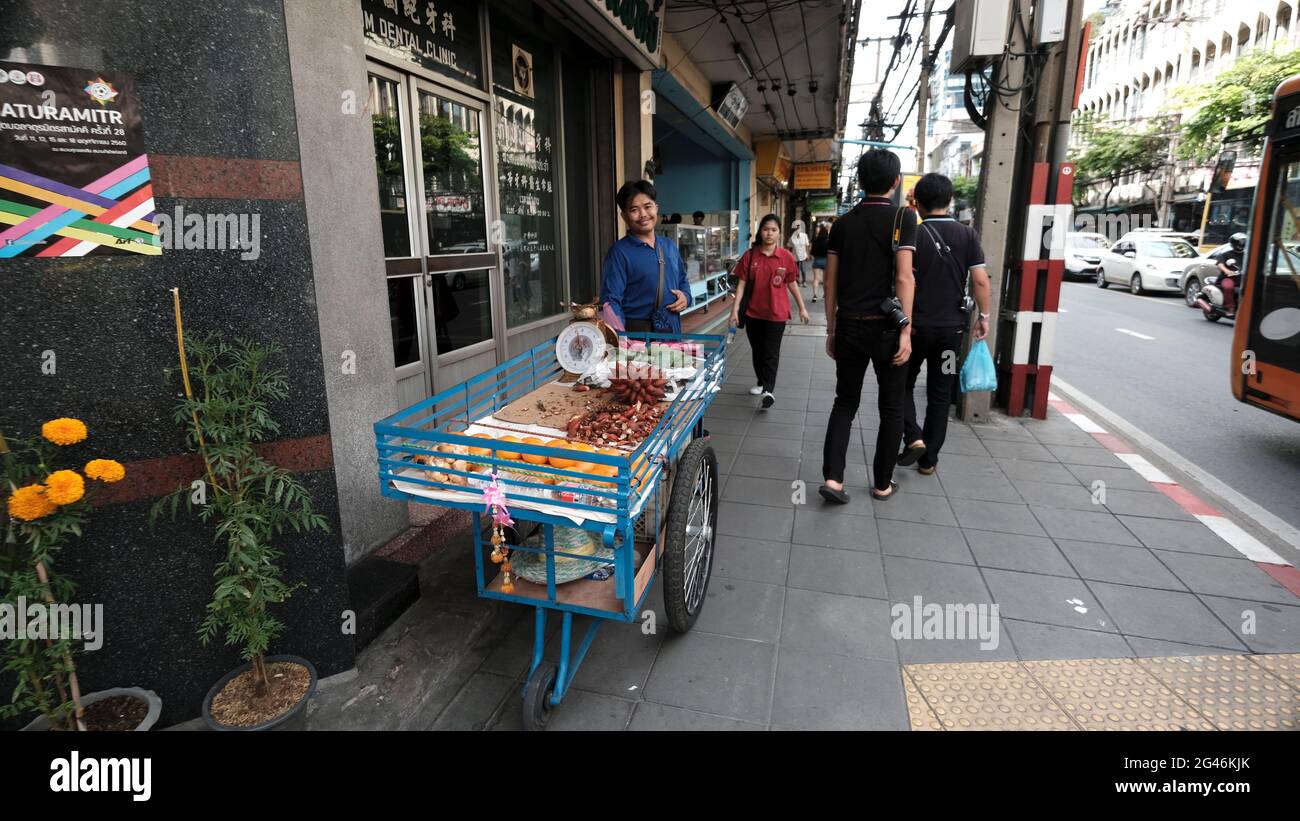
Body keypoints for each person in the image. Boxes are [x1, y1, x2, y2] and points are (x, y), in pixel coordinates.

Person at [819, 149, 916, 504]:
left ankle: (833, 480)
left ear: (859, 182)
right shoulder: (904, 218)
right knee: (891, 408)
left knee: (845, 402)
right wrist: (906, 329)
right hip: (889, 329)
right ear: (894, 181)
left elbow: (830, 282)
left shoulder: (842, 225)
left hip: (849, 326)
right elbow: (905, 277)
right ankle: (882, 484)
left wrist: (831, 328)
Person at [897, 173, 991, 475]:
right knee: (940, 392)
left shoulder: (916, 234)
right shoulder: (968, 236)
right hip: (951, 334)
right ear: (949, 201)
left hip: (916, 330)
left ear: (918, 203)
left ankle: (913, 436)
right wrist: (984, 317)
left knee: (902, 385)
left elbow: (903, 278)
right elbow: (979, 280)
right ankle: (929, 461)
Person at [730, 214, 810, 409]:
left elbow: (792, 284)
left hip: (777, 314)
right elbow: (740, 285)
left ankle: (768, 390)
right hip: (753, 313)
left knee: (771, 352)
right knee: (758, 351)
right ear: (760, 231)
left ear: (779, 232)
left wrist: (802, 308)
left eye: (773, 230)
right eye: (766, 229)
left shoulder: (786, 257)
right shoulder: (750, 256)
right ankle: (760, 382)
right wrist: (734, 311)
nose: (769, 233)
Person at [600, 180, 692, 333]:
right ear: (624, 216)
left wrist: (686, 297)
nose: (643, 214)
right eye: (634, 209)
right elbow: (610, 301)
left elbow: (682, 279)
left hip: (672, 329)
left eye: (648, 207)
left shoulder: (668, 246)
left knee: (672, 358)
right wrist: (621, 338)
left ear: (656, 208)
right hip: (638, 336)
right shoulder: (619, 252)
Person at [1210, 232, 1246, 315]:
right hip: (1228, 278)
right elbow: (1220, 264)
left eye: (1243, 241)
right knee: (1228, 287)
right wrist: (1227, 271)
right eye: (1240, 242)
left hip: (1242, 279)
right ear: (1234, 243)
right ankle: (1230, 307)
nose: (1242, 243)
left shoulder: (1247, 255)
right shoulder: (1226, 254)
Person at [788, 219, 811, 286]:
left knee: (803, 269)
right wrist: (789, 255)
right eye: (797, 227)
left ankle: (804, 281)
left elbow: (807, 246)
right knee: (796, 269)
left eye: (799, 227)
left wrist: (808, 254)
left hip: (803, 255)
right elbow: (789, 246)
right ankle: (798, 281)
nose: (798, 229)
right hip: (795, 256)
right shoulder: (792, 237)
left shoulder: (804, 236)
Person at [810, 223, 829, 303]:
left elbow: (812, 252)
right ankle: (825, 294)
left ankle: (815, 295)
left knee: (816, 279)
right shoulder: (829, 241)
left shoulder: (815, 240)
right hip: (826, 261)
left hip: (817, 260)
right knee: (825, 280)